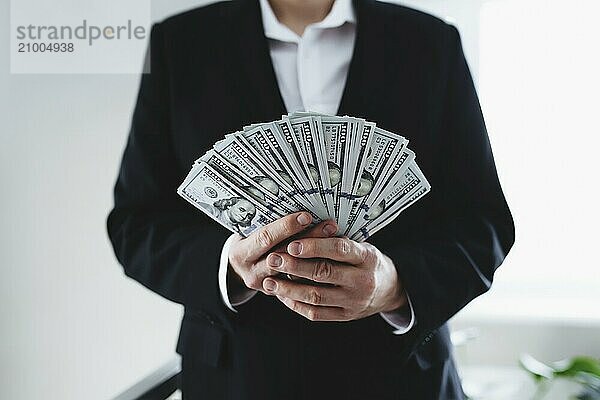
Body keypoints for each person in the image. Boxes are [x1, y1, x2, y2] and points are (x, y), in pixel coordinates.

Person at [107, 0, 515, 399]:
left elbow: (483, 223)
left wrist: (395, 285)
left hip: (401, 378)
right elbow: (135, 224)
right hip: (239, 379)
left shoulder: (429, 43)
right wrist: (227, 264)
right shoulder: (181, 44)